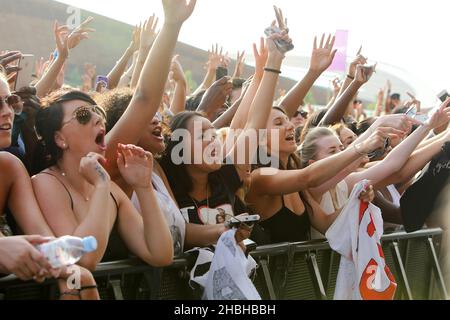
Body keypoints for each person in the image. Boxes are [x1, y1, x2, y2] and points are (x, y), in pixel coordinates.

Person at [0, 71, 100, 300]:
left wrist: (69, 271)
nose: (7, 111)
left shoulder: (10, 167)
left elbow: (49, 244)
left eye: (11, 101)